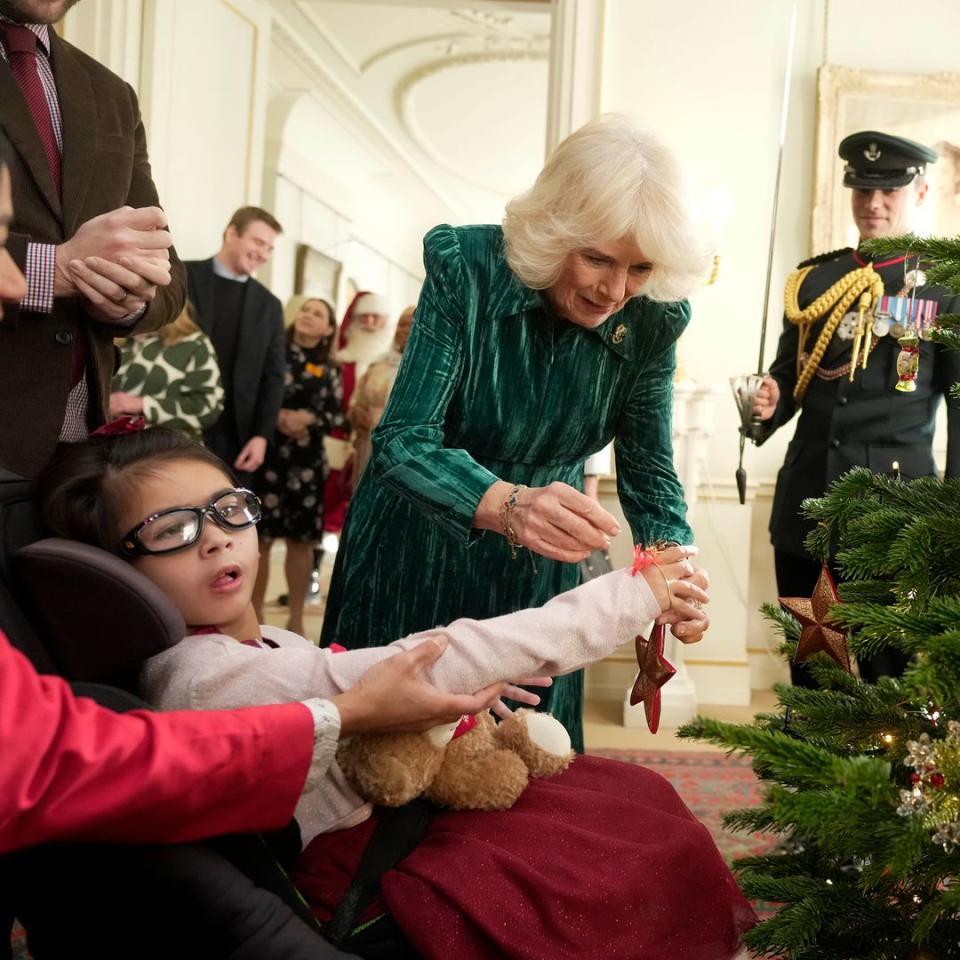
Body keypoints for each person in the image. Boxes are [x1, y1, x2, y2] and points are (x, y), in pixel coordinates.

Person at [38, 427, 754, 960]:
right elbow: (434, 659)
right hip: (365, 865)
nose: (217, 540)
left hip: (394, 818)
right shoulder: (200, 676)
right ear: (123, 570)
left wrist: (459, 704)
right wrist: (630, 600)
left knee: (622, 799)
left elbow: (392, 697)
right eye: (172, 529)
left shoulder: (266, 647)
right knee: (616, 845)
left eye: (229, 509)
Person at [321, 114, 711, 751]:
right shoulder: (469, 269)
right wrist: (507, 503)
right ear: (556, 233)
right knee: (388, 764)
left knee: (527, 764)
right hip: (417, 546)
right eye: (597, 259)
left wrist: (677, 566)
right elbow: (403, 438)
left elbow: (650, 471)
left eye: (639, 268)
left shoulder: (653, 320)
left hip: (539, 572)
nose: (617, 290)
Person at [753, 130, 960, 684]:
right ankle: (805, 774)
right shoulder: (817, 278)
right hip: (806, 500)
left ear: (919, 190)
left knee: (887, 676)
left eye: (888, 190)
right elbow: (786, 379)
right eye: (863, 189)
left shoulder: (943, 287)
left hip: (892, 510)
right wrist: (765, 403)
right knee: (813, 669)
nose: (873, 204)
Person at [0, 0, 185, 478]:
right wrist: (54, 270)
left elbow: (169, 278)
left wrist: (124, 297)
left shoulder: (113, 95)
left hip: (76, 457)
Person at [253, 296, 346, 634]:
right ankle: (255, 616)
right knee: (259, 539)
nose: (308, 316)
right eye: (305, 309)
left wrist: (307, 419)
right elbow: (254, 392)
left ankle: (295, 617)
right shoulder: (273, 350)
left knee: (301, 541)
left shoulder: (331, 368)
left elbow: (336, 414)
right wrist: (274, 417)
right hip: (267, 457)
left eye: (318, 313)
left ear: (329, 328)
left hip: (306, 464)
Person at [186, 206, 285, 484]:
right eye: (258, 242)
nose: (263, 254)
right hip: (178, 421)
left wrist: (261, 436)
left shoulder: (270, 306)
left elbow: (274, 377)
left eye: (269, 248)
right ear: (231, 233)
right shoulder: (182, 276)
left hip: (238, 437)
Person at [322, 290, 394, 538]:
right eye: (365, 317)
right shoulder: (340, 362)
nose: (370, 323)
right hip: (339, 442)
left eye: (377, 317)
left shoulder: (394, 365)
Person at [110, 301, 224, 441]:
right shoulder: (116, 340)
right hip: (114, 449)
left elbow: (209, 408)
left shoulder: (194, 344)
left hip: (168, 451)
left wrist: (143, 404)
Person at [348, 304, 414, 486]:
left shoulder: (427, 371)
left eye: (414, 324)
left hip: (402, 453)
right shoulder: (378, 364)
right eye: (402, 324)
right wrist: (356, 413)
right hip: (367, 447)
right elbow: (356, 401)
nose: (406, 330)